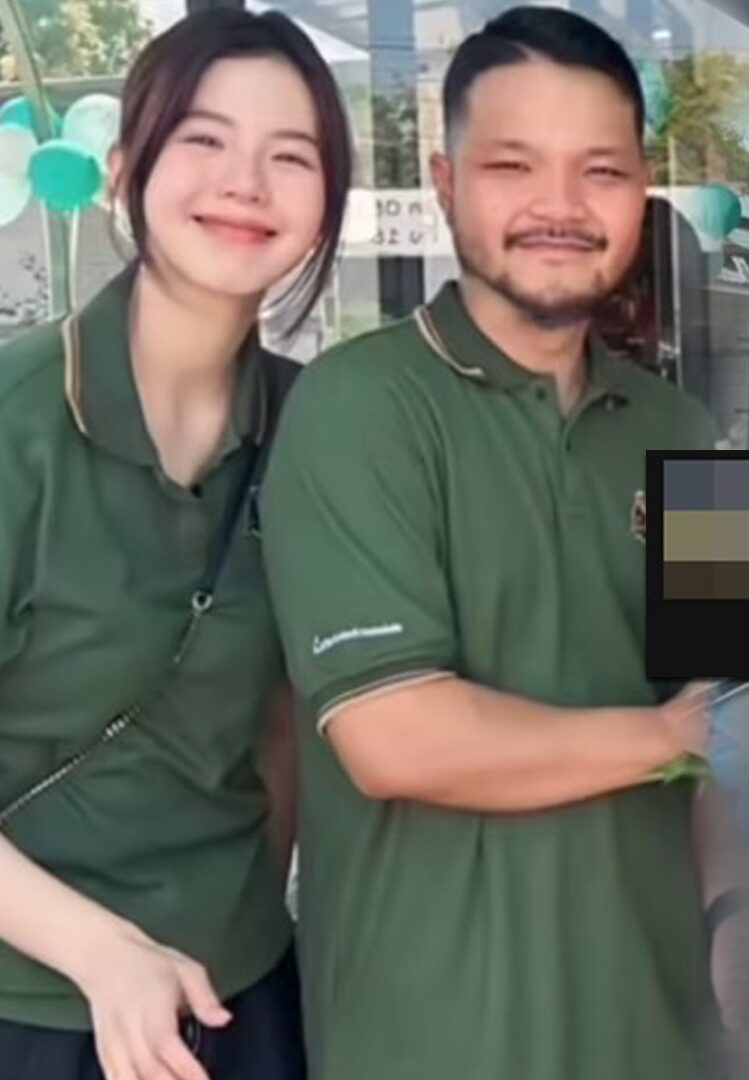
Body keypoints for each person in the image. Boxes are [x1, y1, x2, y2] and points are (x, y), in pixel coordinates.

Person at [257, 9, 734, 1080]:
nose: (561, 206)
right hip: (435, 1032)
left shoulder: (679, 431)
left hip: (652, 1025)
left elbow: (722, 738)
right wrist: (669, 733)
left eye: (600, 170)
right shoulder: (360, 407)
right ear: (446, 180)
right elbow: (399, 739)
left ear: (639, 189)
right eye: (514, 165)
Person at [0, 10, 351, 1080]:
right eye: (203, 139)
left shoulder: (320, 427)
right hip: (35, 1003)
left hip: (239, 990)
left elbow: (286, 719)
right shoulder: (18, 417)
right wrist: (105, 955)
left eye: (290, 156)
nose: (246, 181)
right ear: (123, 173)